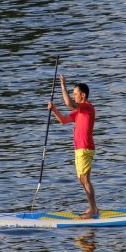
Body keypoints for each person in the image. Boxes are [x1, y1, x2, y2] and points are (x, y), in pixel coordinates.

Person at [48, 75, 98, 218]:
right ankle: (93, 208)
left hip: (85, 148)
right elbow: (63, 120)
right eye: (73, 94)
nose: (73, 96)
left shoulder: (87, 107)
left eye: (75, 94)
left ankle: (93, 209)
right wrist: (54, 109)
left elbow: (69, 103)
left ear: (83, 95)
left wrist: (63, 86)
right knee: (82, 179)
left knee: (85, 179)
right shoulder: (78, 112)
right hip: (79, 149)